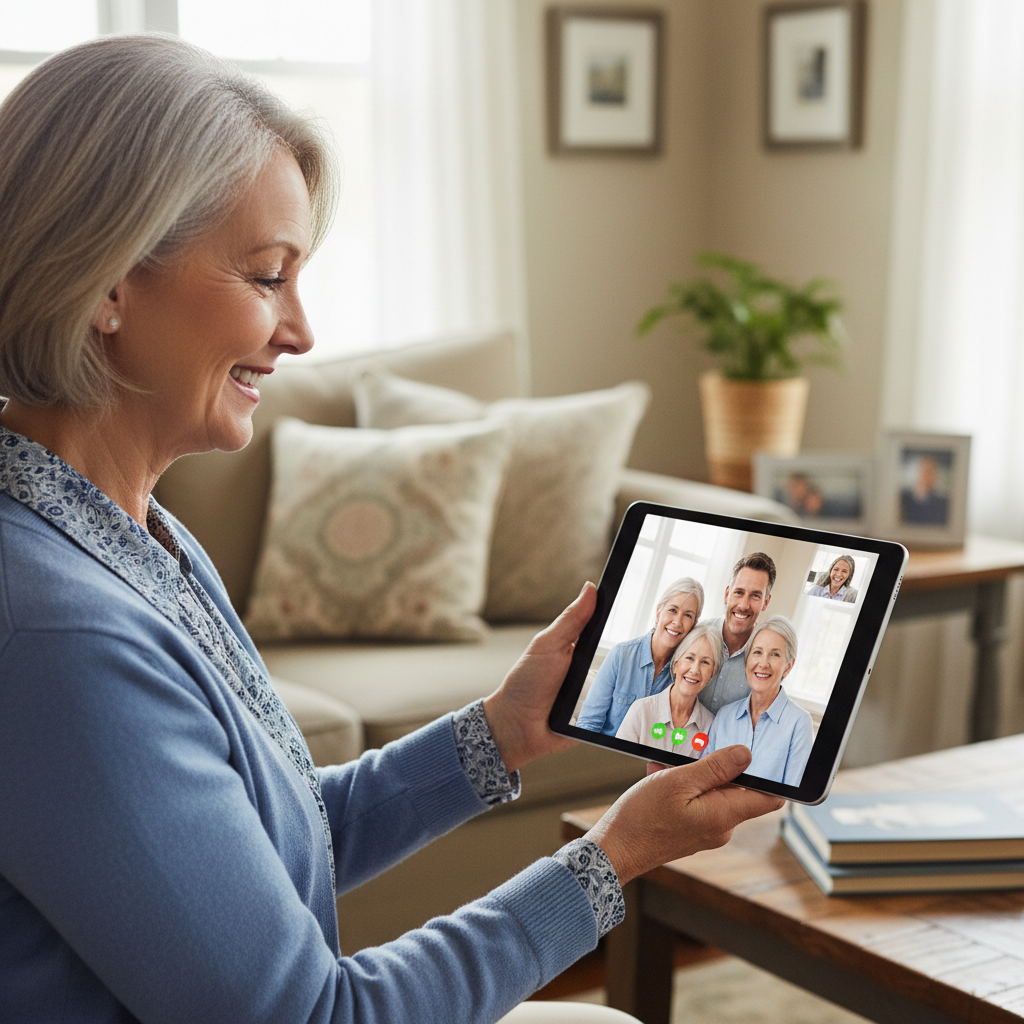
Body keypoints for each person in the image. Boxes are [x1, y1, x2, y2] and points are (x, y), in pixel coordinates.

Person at [0, 36, 784, 1024]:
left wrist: (501, 731)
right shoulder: (55, 635)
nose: (302, 332)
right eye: (267, 276)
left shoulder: (133, 534)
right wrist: (612, 854)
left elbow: (274, 842)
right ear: (109, 280)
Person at [575, 577, 704, 736]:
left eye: (688, 615)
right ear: (658, 612)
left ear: (693, 625)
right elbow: (588, 723)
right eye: (672, 610)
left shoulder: (685, 675)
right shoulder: (620, 655)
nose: (677, 622)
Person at [704, 616, 814, 787]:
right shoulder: (724, 716)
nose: (763, 663)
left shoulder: (799, 723)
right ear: (747, 660)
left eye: (775, 654)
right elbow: (703, 779)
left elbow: (792, 797)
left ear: (788, 666)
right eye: (757, 652)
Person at [614, 622, 721, 757]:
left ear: (712, 673)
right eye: (689, 658)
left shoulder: (710, 726)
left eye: (705, 662)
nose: (694, 670)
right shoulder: (641, 710)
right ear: (676, 664)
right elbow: (617, 762)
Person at [698, 552, 776, 716]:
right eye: (739, 592)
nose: (743, 605)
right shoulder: (697, 636)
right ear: (727, 594)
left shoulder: (768, 661)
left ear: (765, 602)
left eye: (755, 596)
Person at [900, 452, 950, 526]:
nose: (927, 476)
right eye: (924, 470)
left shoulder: (943, 503)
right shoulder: (903, 499)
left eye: (931, 472)